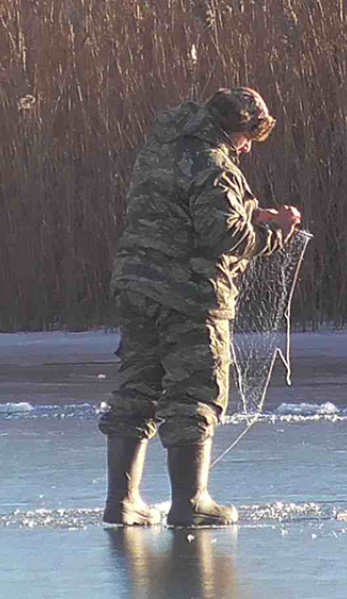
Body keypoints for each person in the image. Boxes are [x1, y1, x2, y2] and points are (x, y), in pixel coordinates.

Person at [99, 87, 302, 526]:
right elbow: (223, 236)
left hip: (136, 286)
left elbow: (181, 209)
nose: (247, 148)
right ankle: (191, 504)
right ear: (236, 128)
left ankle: (122, 502)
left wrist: (252, 210)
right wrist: (277, 233)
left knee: (137, 389)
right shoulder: (213, 162)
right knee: (195, 393)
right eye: (249, 137)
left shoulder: (161, 149)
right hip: (189, 293)